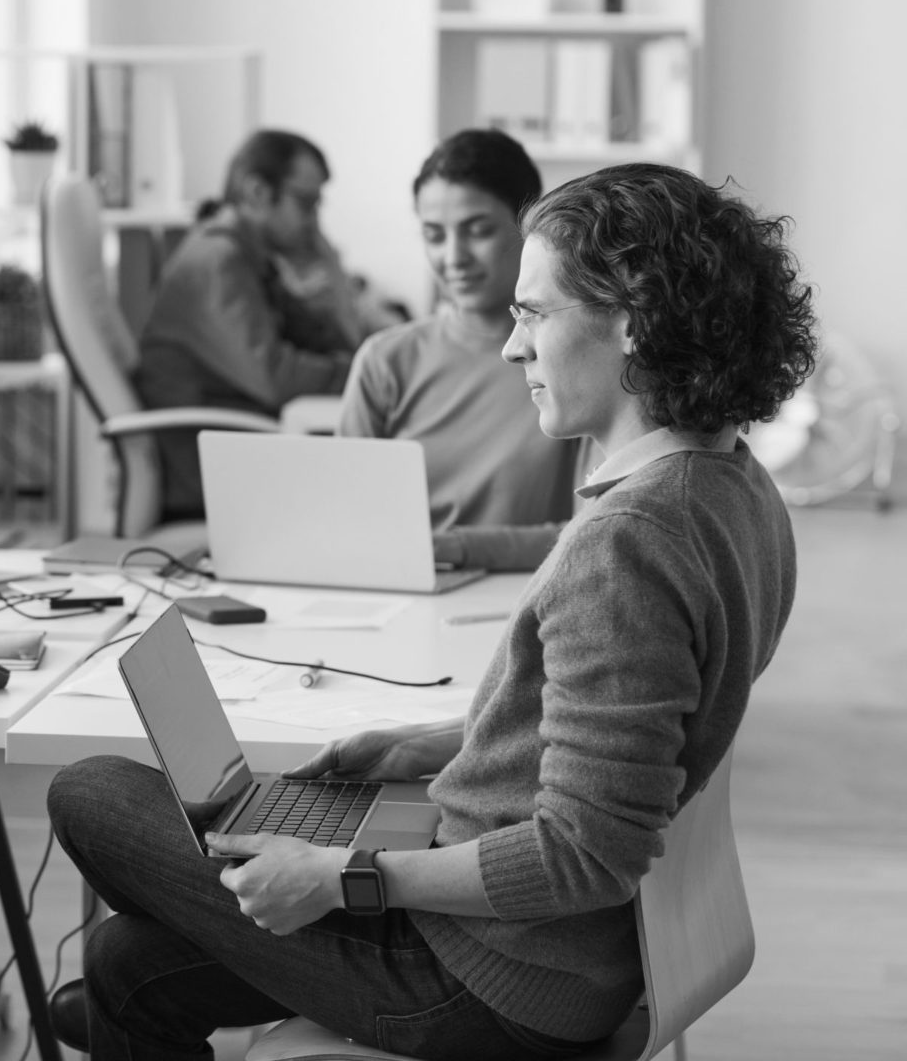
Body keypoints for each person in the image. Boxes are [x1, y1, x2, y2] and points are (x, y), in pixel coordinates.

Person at [47, 162, 816, 1061]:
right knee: (125, 962)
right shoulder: (734, 486)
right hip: (547, 947)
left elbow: (585, 855)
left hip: (495, 975)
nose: (511, 346)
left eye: (534, 314)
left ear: (633, 323)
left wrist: (348, 878)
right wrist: (443, 742)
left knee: (89, 792)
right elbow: (632, 730)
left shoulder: (630, 543)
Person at [340, 129, 589, 572]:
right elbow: (348, 523)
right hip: (394, 599)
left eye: (478, 231)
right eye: (434, 235)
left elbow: (588, 534)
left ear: (530, 228)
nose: (453, 257)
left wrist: (455, 548)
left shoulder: (578, 358)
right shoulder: (385, 361)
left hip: (521, 605)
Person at [134, 130, 357, 520]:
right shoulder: (218, 262)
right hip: (206, 468)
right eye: (306, 203)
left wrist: (331, 270)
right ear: (256, 192)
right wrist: (368, 373)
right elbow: (277, 378)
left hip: (239, 449)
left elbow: (326, 339)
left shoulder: (250, 258)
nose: (314, 221)